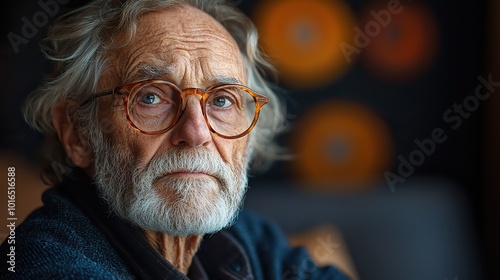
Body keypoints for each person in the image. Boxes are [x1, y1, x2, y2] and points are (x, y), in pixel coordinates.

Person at [1, 0, 348, 279]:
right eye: (151, 97)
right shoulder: (48, 265)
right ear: (77, 133)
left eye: (222, 100)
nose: (196, 133)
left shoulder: (244, 239)